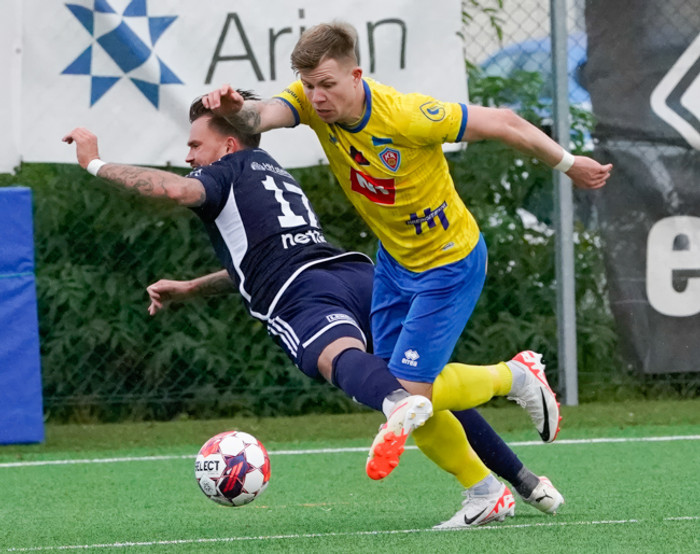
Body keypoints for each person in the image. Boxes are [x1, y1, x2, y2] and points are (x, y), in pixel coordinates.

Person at [63, 92, 564, 528]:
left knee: (344, 363)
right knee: (420, 383)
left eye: (196, 145)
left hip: (301, 293)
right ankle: (512, 479)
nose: (188, 155)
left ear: (229, 145)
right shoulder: (268, 170)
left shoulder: (222, 173)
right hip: (352, 274)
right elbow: (258, 259)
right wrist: (192, 288)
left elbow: (175, 190)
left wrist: (94, 162)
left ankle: (464, 393)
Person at [201, 21, 612, 529]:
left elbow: (504, 122)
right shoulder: (308, 102)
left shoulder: (405, 115)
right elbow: (259, 115)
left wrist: (568, 163)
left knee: (409, 396)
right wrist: (232, 109)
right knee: (400, 394)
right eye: (308, 85)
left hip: (449, 262)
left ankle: (516, 377)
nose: (317, 97)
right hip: (395, 265)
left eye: (327, 84)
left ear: (356, 76)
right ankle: (485, 492)